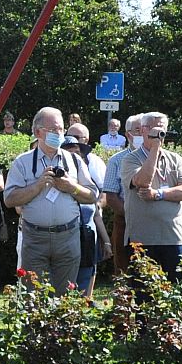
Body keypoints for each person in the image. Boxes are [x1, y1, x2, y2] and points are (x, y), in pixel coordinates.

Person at [3, 107, 94, 292]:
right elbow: (9, 199)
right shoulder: (23, 162)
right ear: (38, 132)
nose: (59, 133)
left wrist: (72, 187)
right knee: (32, 296)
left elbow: (93, 195)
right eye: (53, 130)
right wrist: (37, 186)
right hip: (35, 238)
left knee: (65, 296)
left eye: (61, 129)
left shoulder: (74, 160)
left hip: (68, 237)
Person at [119, 112, 182, 280]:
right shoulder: (131, 159)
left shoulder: (175, 159)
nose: (159, 132)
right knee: (144, 295)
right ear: (143, 130)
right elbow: (143, 182)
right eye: (154, 128)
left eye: (162, 128)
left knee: (179, 291)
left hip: (173, 237)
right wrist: (154, 150)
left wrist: (157, 194)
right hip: (142, 239)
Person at [64, 122, 106, 292]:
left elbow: (100, 196)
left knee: (88, 268)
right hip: (64, 232)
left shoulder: (93, 165)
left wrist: (106, 240)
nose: (74, 154)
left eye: (77, 149)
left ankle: (84, 301)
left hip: (87, 232)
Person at [100, 114, 143, 277]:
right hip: (125, 222)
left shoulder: (158, 158)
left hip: (154, 223)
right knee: (124, 271)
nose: (141, 134)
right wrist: (131, 214)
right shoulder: (116, 160)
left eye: (144, 130)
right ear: (128, 134)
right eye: (137, 130)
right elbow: (110, 196)